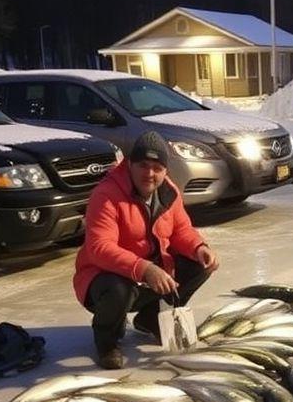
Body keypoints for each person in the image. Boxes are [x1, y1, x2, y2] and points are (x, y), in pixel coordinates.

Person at [73, 131, 219, 368]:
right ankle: (107, 340)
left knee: (198, 266)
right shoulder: (106, 195)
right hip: (103, 278)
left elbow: (181, 230)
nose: (149, 174)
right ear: (129, 164)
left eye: (157, 167)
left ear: (165, 170)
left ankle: (151, 318)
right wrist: (144, 269)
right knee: (119, 289)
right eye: (143, 165)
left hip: (149, 273)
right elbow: (99, 248)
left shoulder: (168, 193)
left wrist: (198, 247)